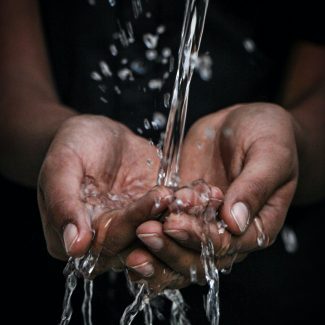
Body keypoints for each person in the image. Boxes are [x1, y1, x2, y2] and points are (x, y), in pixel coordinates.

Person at [0, 0, 324, 324]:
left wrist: (293, 141)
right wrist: (58, 141)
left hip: (268, 281)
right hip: (36, 268)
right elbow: (12, 94)